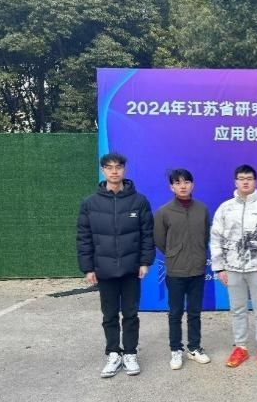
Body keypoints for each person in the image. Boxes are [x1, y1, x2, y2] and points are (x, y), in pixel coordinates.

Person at [76, 152, 155, 378]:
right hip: (104, 269)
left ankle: (130, 353)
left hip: (131, 269)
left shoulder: (139, 201)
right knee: (109, 315)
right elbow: (84, 238)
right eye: (109, 167)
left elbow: (147, 234)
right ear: (103, 170)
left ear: (124, 170)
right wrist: (88, 268)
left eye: (118, 167)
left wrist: (144, 262)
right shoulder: (90, 204)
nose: (114, 171)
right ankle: (113, 353)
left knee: (130, 314)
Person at [210, 165, 257, 368]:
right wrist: (219, 267)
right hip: (232, 268)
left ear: (255, 181)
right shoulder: (225, 208)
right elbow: (215, 238)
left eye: (249, 178)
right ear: (235, 182)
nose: (245, 182)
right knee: (237, 309)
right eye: (241, 178)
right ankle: (241, 347)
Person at [154, 169, 211, 370]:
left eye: (186, 182)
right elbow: (160, 240)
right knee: (175, 312)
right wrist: (175, 253)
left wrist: (198, 253)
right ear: (172, 187)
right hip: (175, 270)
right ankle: (176, 350)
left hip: (197, 269)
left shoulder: (202, 209)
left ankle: (194, 348)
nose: (183, 186)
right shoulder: (164, 212)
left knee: (195, 311)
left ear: (192, 185)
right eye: (178, 183)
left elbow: (205, 236)